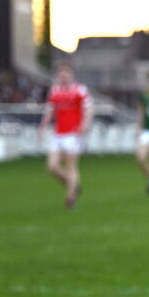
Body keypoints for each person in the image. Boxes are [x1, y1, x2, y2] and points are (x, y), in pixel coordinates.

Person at [39, 61, 92, 208]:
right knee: (52, 166)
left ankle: (70, 198)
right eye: (61, 74)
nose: (63, 76)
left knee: (71, 166)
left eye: (66, 73)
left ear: (71, 74)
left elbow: (88, 109)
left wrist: (84, 125)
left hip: (73, 133)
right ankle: (72, 185)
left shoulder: (79, 90)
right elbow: (49, 111)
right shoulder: (55, 91)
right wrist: (42, 127)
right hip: (58, 133)